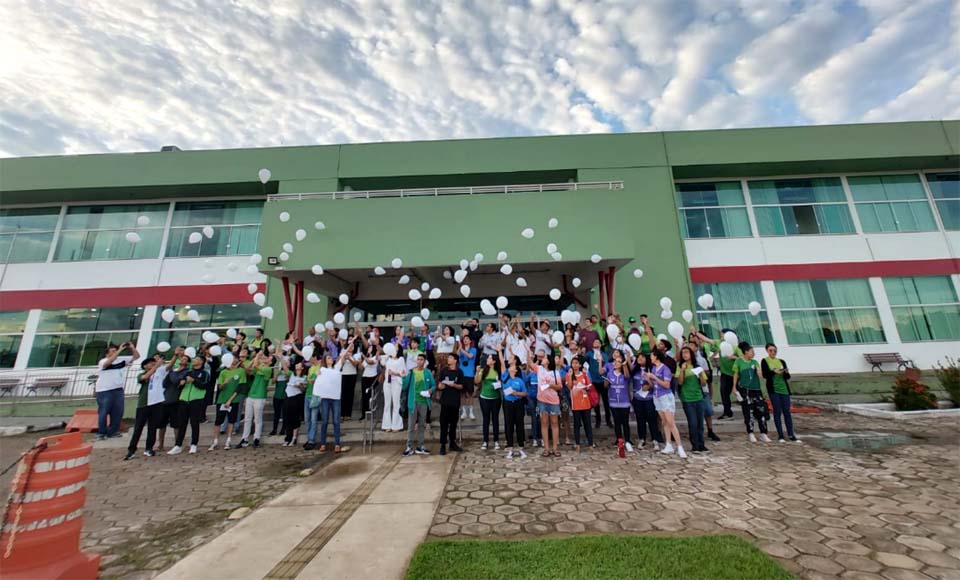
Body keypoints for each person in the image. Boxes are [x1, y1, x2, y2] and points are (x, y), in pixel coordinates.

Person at [125, 353, 168, 460]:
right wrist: (156, 366)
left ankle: (149, 448)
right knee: (138, 428)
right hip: (144, 404)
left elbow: (168, 367)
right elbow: (145, 377)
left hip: (156, 403)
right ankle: (131, 450)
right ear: (145, 366)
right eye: (150, 363)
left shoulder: (158, 373)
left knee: (152, 427)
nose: (152, 364)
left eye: (153, 363)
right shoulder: (141, 374)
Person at [96, 341, 140, 440]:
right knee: (104, 411)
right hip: (104, 390)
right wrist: (120, 350)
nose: (115, 352)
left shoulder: (121, 360)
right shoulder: (103, 361)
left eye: (116, 350)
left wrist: (132, 348)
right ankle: (101, 432)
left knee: (117, 412)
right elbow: (108, 363)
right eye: (113, 351)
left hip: (118, 389)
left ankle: (113, 431)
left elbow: (136, 357)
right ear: (107, 353)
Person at [647, 349, 686, 458]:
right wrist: (648, 378)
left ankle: (679, 446)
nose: (650, 358)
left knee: (670, 422)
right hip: (656, 395)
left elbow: (666, 385)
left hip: (665, 396)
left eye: (652, 356)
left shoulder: (665, 369)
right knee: (664, 421)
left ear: (656, 357)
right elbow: (653, 384)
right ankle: (668, 444)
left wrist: (655, 377)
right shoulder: (654, 368)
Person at [169, 356, 209, 455]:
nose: (194, 361)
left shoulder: (204, 373)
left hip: (196, 400)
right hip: (184, 399)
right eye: (194, 359)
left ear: (201, 362)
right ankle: (178, 445)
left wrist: (194, 381)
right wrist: (181, 383)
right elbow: (178, 384)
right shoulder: (187, 372)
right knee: (182, 423)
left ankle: (194, 444)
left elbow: (204, 385)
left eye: (197, 359)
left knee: (194, 423)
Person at [761, 343, 800, 443]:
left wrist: (785, 372)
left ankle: (791, 434)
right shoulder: (765, 361)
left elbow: (787, 377)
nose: (773, 352)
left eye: (774, 350)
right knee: (777, 411)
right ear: (767, 351)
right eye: (770, 350)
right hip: (774, 389)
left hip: (784, 389)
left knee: (787, 412)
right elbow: (765, 375)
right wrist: (774, 372)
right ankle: (781, 435)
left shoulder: (781, 361)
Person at [529, 345, 563, 458]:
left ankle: (555, 447)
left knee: (554, 423)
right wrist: (529, 355)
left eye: (545, 358)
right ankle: (546, 448)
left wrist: (551, 385)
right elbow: (530, 364)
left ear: (548, 361)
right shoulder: (539, 369)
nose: (542, 359)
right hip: (542, 400)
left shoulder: (555, 373)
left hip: (553, 400)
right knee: (544, 423)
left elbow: (559, 386)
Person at [311, 351, 348, 453]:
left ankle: (337, 443)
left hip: (335, 398)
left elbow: (343, 356)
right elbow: (316, 379)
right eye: (328, 358)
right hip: (325, 398)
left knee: (336, 421)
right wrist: (317, 374)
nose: (330, 359)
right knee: (325, 421)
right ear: (325, 361)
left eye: (331, 358)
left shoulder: (336, 369)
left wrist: (352, 341)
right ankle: (323, 443)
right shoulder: (322, 370)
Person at [733, 342, 770, 442]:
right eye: (751, 351)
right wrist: (734, 387)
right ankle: (751, 433)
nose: (753, 353)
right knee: (748, 411)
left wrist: (759, 372)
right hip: (745, 390)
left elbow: (759, 373)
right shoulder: (738, 362)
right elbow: (736, 374)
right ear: (746, 352)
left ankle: (763, 433)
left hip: (756, 389)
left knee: (761, 410)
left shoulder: (754, 362)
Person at [209, 356, 246, 450]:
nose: (234, 360)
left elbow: (240, 386)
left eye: (235, 358)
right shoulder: (223, 372)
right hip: (222, 399)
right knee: (218, 421)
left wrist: (230, 400)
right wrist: (224, 383)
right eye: (232, 358)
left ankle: (228, 440)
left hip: (234, 400)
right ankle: (215, 441)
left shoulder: (240, 371)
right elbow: (220, 387)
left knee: (231, 420)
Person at [498, 346, 528, 459]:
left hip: (518, 403)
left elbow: (525, 393)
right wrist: (499, 351)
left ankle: (521, 446)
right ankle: (509, 446)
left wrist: (516, 393)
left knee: (519, 424)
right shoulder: (505, 375)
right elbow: (501, 362)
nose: (512, 367)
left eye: (514, 367)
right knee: (508, 424)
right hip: (508, 404)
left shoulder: (519, 380)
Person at [402, 353, 435, 456]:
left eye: (421, 360)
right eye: (418, 359)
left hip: (424, 401)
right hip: (413, 402)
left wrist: (430, 391)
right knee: (411, 425)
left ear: (424, 362)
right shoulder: (411, 373)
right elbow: (405, 387)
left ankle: (421, 445)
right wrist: (404, 377)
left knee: (421, 425)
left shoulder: (428, 373)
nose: (419, 361)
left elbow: (433, 385)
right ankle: (409, 446)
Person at [677, 346, 709, 453]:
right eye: (683, 353)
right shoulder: (681, 367)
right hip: (687, 399)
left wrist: (700, 375)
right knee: (693, 423)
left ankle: (701, 444)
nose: (685, 354)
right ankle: (694, 445)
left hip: (699, 397)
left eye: (687, 352)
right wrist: (682, 370)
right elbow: (680, 382)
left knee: (700, 423)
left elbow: (704, 383)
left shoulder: (697, 366)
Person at [629, 351, 662, 450]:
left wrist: (648, 381)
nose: (640, 359)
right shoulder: (635, 371)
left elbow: (655, 385)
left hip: (649, 398)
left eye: (642, 357)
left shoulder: (651, 370)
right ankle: (642, 438)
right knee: (640, 419)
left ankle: (655, 439)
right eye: (638, 357)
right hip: (637, 398)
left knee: (652, 419)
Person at [158, 351, 189, 451]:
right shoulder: (173, 371)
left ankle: (177, 444)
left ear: (188, 363)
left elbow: (177, 382)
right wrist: (173, 375)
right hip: (166, 398)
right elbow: (164, 383)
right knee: (162, 424)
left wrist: (173, 375)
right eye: (182, 359)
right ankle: (160, 444)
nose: (183, 360)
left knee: (176, 424)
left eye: (185, 359)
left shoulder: (186, 372)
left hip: (176, 400)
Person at [239, 351, 272, 448]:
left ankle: (256, 438)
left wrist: (257, 357)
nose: (264, 358)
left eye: (266, 358)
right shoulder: (259, 367)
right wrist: (254, 359)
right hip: (251, 395)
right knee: (247, 418)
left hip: (260, 396)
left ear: (270, 362)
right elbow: (249, 369)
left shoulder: (268, 369)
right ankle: (244, 439)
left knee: (257, 419)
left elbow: (256, 366)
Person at [437, 353, 465, 455]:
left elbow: (462, 386)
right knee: (443, 423)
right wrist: (441, 386)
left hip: (455, 401)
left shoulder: (459, 372)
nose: (448, 359)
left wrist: (454, 385)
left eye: (450, 358)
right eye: (448, 357)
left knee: (453, 424)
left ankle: (452, 442)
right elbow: (440, 384)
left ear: (455, 360)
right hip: (445, 401)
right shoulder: (444, 371)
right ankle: (443, 444)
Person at [605, 354, 633, 452]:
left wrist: (625, 366)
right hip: (613, 402)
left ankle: (628, 440)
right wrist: (606, 382)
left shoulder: (624, 373)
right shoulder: (610, 373)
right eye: (615, 361)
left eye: (619, 362)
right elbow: (606, 386)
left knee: (625, 422)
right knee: (617, 422)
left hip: (624, 402)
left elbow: (627, 377)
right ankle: (619, 440)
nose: (616, 363)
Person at [474, 353, 502, 450]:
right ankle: (485, 441)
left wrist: (499, 384)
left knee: (495, 419)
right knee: (486, 419)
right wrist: (477, 372)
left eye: (490, 358)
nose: (488, 359)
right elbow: (477, 381)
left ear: (494, 361)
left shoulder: (498, 371)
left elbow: (501, 382)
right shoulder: (483, 370)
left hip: (496, 398)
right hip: (484, 397)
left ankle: (496, 441)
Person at [567, 356, 594, 451]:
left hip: (585, 403)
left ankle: (590, 443)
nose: (574, 365)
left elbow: (589, 386)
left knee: (587, 424)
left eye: (576, 363)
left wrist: (584, 388)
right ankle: (577, 443)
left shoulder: (584, 374)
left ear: (580, 365)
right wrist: (570, 376)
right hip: (576, 404)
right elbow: (569, 386)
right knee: (576, 424)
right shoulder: (569, 375)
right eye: (573, 363)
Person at [584, 339, 612, 428]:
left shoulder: (604, 354)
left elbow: (607, 366)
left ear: (600, 344)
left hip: (602, 380)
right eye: (594, 342)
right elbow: (584, 360)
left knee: (606, 402)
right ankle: (598, 420)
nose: (595, 343)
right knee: (596, 402)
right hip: (593, 381)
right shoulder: (590, 353)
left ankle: (608, 420)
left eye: (597, 342)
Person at [381, 344, 407, 432]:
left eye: (396, 346)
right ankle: (386, 425)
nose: (394, 347)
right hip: (387, 383)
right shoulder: (387, 358)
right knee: (387, 404)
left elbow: (403, 373)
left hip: (396, 382)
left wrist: (394, 373)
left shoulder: (401, 359)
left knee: (396, 404)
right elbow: (380, 360)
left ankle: (397, 425)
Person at [283, 363, 308, 446]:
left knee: (295, 417)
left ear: (302, 367)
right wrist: (281, 358)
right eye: (296, 365)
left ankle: (294, 437)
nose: (297, 366)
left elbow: (303, 390)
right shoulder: (291, 375)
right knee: (287, 417)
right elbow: (285, 368)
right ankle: (288, 437)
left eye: (299, 365)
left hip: (297, 397)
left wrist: (299, 386)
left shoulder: (304, 377)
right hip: (288, 396)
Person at [458, 335, 477, 420]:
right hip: (462, 374)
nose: (465, 340)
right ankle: (464, 411)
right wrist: (459, 347)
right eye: (464, 339)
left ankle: (471, 411)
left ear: (470, 341)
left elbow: (470, 356)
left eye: (467, 339)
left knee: (470, 394)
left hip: (470, 375)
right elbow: (457, 354)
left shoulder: (473, 349)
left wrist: (462, 349)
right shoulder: (461, 350)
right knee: (462, 394)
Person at [269, 358, 289, 436]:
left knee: (285, 414)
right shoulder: (279, 373)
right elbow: (273, 382)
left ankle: (283, 429)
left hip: (285, 396)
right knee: (276, 414)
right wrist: (276, 376)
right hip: (277, 396)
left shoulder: (289, 373)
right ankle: (274, 429)